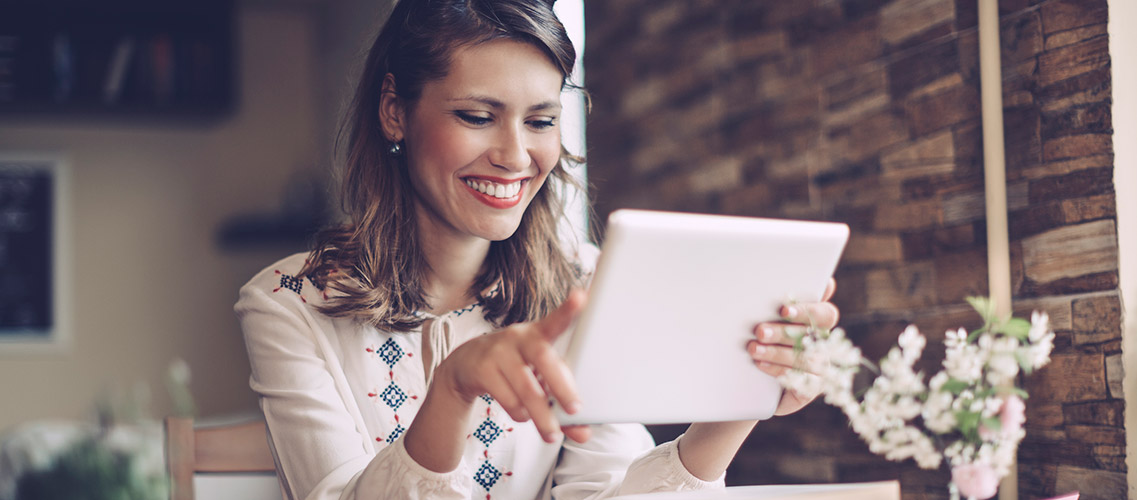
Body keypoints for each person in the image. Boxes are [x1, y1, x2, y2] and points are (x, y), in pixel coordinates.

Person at [235, 0, 840, 499]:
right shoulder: (287, 305)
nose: (515, 156)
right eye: (476, 115)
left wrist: (742, 398)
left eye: (541, 121)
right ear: (395, 111)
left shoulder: (585, 284)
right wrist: (451, 391)